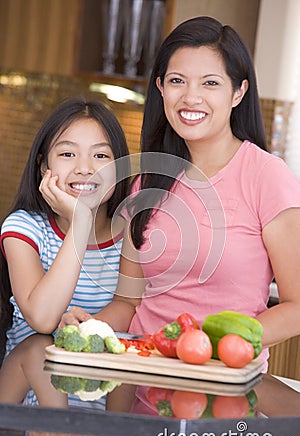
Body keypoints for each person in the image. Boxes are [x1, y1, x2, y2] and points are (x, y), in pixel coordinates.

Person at [60, 16, 300, 374]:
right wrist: (92, 326)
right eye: (177, 81)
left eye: (210, 83)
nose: (191, 97)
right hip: (139, 379)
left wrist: (210, 348)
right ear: (160, 88)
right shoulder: (147, 182)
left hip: (222, 387)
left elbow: (296, 307)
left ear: (239, 92)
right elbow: (129, 302)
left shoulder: (268, 177)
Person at [0, 97, 130, 408]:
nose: (84, 168)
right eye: (68, 153)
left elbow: (129, 311)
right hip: (25, 406)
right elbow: (44, 319)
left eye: (100, 155)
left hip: (102, 406)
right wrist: (80, 222)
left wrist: (86, 327)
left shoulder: (133, 238)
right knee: (40, 346)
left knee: (127, 354)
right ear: (45, 166)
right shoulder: (25, 229)